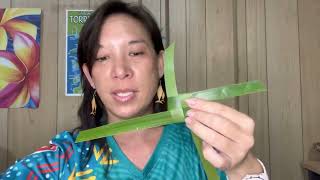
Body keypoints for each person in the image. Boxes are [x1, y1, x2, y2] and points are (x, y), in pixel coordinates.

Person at [0, 1, 268, 179]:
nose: (120, 70)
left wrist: (246, 168)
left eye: (136, 52)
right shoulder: (65, 156)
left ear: (160, 64)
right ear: (89, 76)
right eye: (103, 58)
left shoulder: (207, 145)